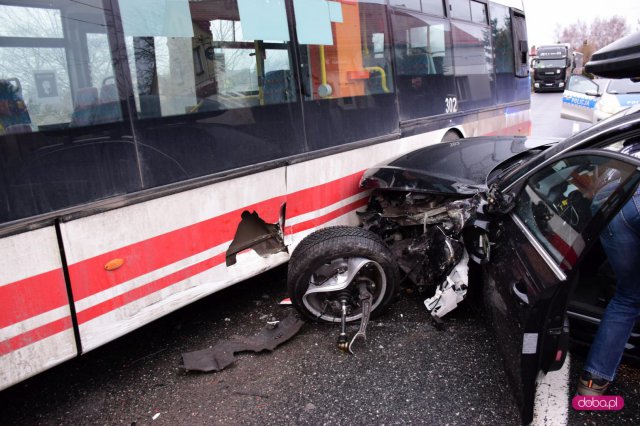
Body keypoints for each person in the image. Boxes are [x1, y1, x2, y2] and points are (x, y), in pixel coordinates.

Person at [577, 143, 640, 396]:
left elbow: (592, 189)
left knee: (627, 298)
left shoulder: (629, 145)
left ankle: (591, 387)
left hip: (612, 204)